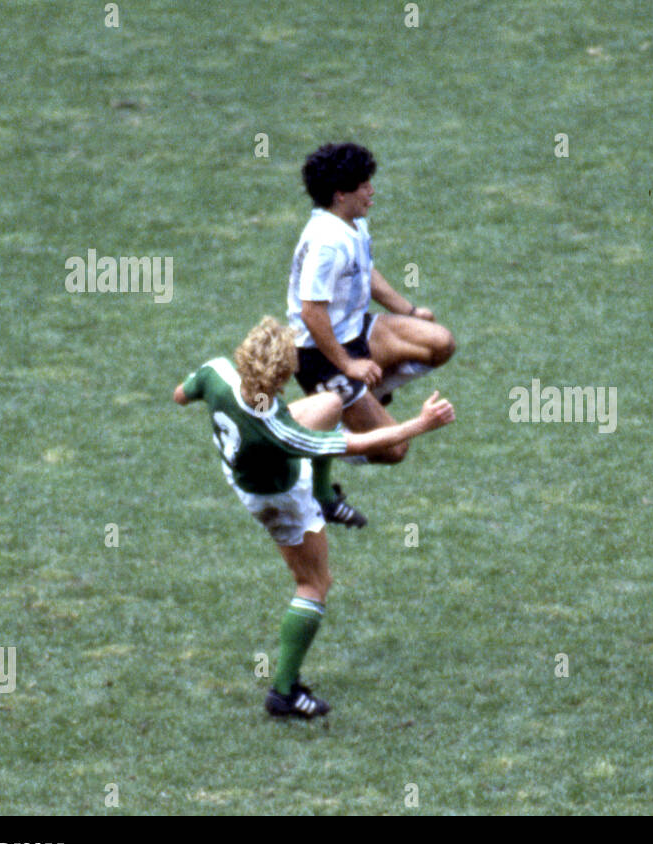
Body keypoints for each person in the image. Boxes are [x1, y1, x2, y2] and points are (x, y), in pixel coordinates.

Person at [172, 316, 455, 719]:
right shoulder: (281, 431)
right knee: (314, 583)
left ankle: (324, 497)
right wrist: (420, 424)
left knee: (329, 403)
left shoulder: (216, 372)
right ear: (283, 377)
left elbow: (181, 395)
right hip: (276, 499)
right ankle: (284, 692)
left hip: (243, 463)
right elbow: (357, 442)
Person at [287, 141, 456, 478]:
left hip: (356, 331)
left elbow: (366, 273)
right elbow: (311, 314)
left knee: (439, 343)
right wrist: (348, 364)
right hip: (319, 354)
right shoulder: (325, 243)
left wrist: (408, 310)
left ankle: (368, 396)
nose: (371, 191)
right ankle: (324, 438)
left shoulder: (353, 223)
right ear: (340, 195)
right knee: (394, 450)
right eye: (364, 186)